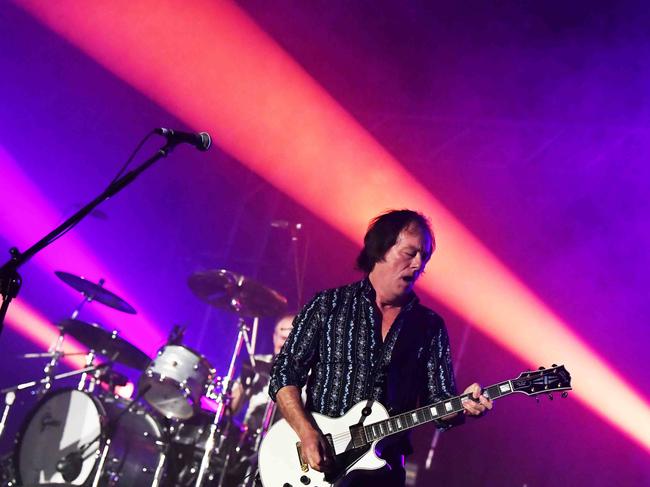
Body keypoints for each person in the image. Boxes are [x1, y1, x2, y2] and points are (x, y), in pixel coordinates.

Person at [268, 209, 493, 486]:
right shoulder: (328, 305)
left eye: (425, 256)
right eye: (410, 253)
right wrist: (307, 433)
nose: (419, 263)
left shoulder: (429, 326)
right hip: (317, 464)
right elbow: (284, 373)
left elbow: (439, 401)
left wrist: (462, 405)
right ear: (381, 250)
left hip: (382, 471)